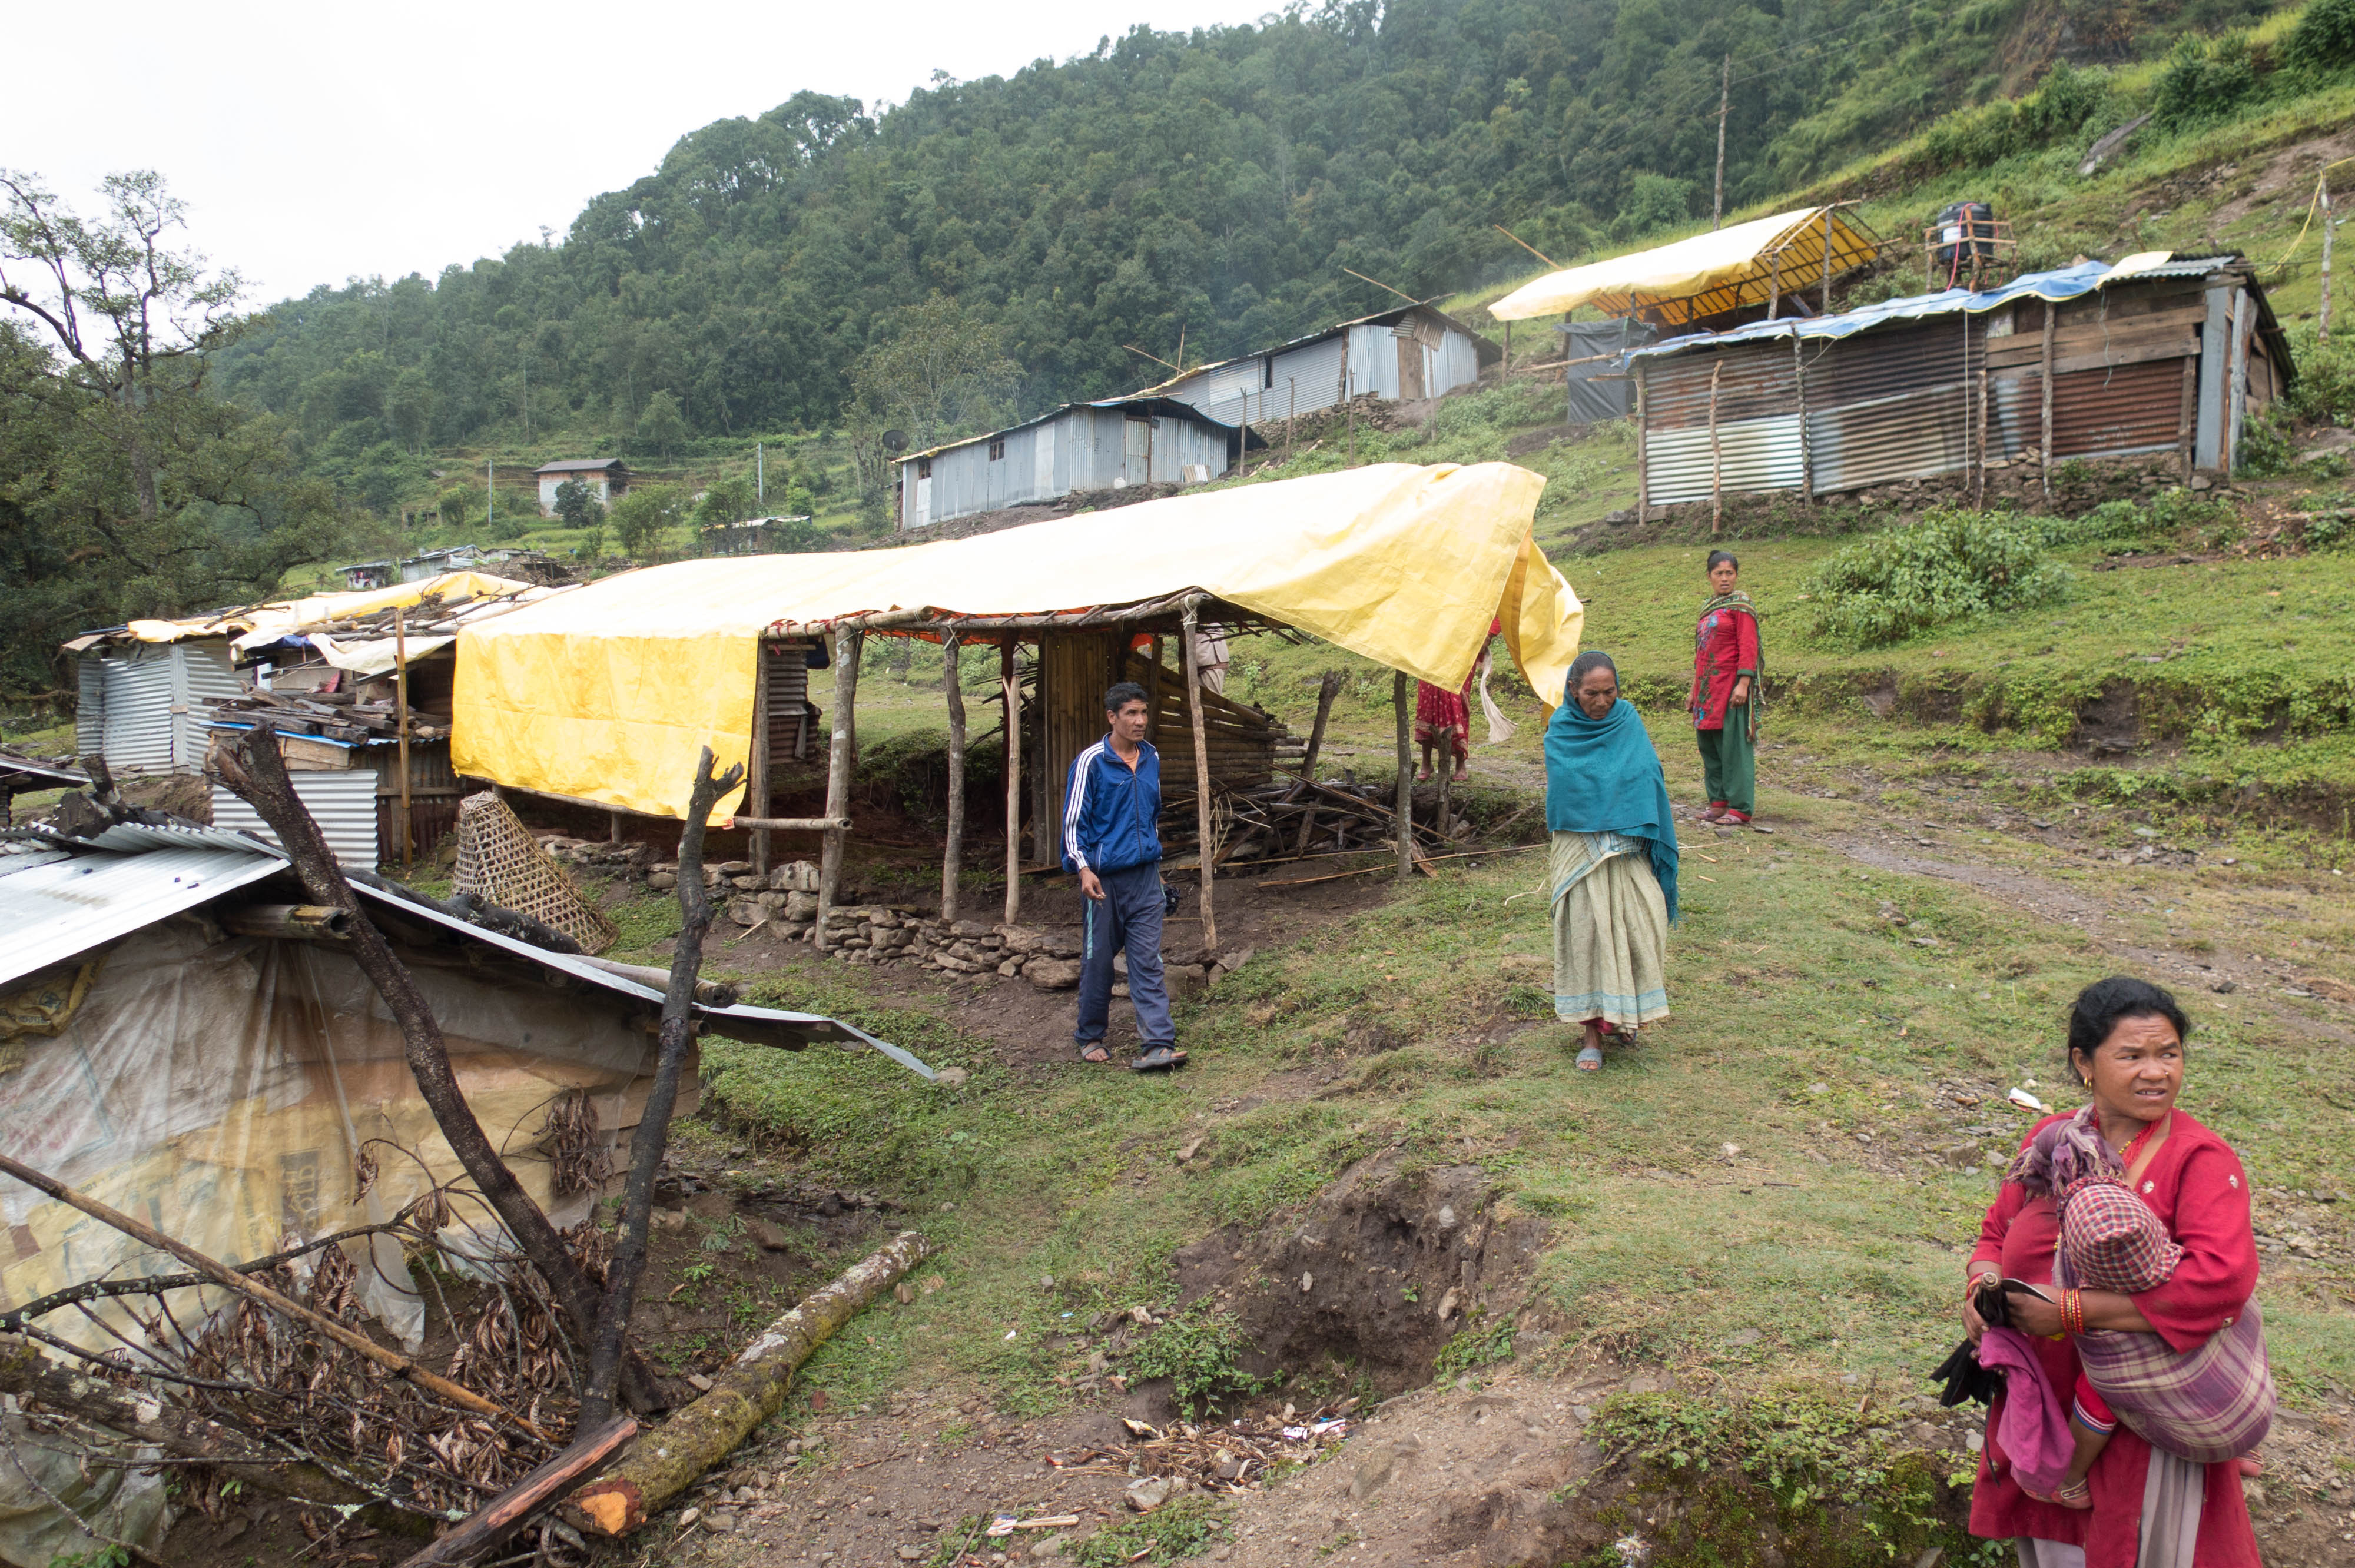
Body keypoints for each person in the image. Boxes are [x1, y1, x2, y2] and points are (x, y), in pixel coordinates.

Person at [1962, 977, 2264, 1567]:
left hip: (2139, 1412)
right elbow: (1996, 1232)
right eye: (2131, 1056)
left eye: (2168, 1054)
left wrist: (2072, 1311)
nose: (2155, 1072)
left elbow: (2220, 1283)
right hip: (2046, 1392)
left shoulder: (2198, 1159)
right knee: (2052, 1547)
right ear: (2085, 1063)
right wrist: (1979, 1289)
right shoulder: (2053, 1141)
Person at [1543, 651, 1679, 1072]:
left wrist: (1625, 809)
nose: (1601, 702)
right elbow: (1568, 787)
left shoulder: (1629, 720)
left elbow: (1646, 774)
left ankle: (1625, 1018)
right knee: (1589, 937)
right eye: (1591, 694)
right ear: (1573, 691)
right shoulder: (1561, 730)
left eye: (1609, 692)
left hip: (1628, 847)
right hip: (1581, 851)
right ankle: (1591, 1035)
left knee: (1640, 929)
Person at [1063, 681, 1185, 1072]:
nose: (1140, 721)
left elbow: (1150, 816)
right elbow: (1072, 825)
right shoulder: (1091, 763)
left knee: (1147, 960)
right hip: (1103, 881)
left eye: (1143, 713)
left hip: (1146, 877)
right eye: (1131, 714)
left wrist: (1158, 873)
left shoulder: (1151, 758)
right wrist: (1083, 869)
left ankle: (1157, 1044)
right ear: (1112, 717)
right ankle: (1090, 1035)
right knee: (1099, 960)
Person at [1689, 550, 1761, 826]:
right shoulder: (1709, 609)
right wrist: (1693, 690)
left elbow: (1748, 645)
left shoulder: (1741, 607)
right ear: (1709, 577)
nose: (1725, 578)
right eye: (1719, 573)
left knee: (1734, 749)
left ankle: (1740, 808)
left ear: (1736, 575)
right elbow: (1701, 651)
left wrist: (1744, 683)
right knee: (1710, 747)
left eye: (1729, 573)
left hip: (1732, 688)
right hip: (1708, 690)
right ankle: (1718, 803)